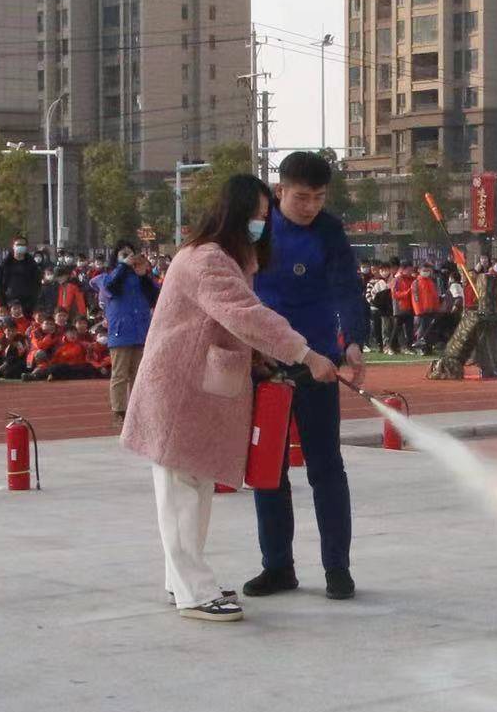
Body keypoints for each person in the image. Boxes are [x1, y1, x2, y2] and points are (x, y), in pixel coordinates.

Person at [122, 174, 341, 623]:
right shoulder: (206, 260)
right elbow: (246, 316)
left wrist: (264, 360)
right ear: (235, 215)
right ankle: (194, 592)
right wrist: (304, 352)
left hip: (196, 391)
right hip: (179, 391)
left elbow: (235, 326)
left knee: (193, 488)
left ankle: (182, 581)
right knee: (181, 491)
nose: (263, 225)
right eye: (258, 216)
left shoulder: (227, 260)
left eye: (265, 218)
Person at [244, 152, 369, 602]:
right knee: (269, 471)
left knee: (326, 468)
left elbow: (346, 288)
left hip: (317, 363)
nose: (310, 206)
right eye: (301, 197)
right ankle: (277, 566)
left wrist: (352, 339)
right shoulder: (258, 228)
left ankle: (337, 567)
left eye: (318, 197)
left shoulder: (329, 231)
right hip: (265, 366)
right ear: (280, 192)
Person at [103, 241, 160, 426]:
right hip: (121, 331)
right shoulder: (111, 276)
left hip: (140, 330)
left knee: (138, 373)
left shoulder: (140, 277)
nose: (129, 257)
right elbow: (110, 287)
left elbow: (154, 297)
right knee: (120, 374)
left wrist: (143, 275)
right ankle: (119, 411)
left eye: (131, 254)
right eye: (123, 254)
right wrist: (122, 266)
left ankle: (138, 410)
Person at [0, 236, 43, 316]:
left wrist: (33, 303)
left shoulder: (32, 264)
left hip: (28, 304)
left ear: (26, 247)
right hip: (9, 303)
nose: (20, 247)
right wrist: (2, 303)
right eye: (18, 245)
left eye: (23, 245)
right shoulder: (5, 264)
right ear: (13, 246)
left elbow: (37, 285)